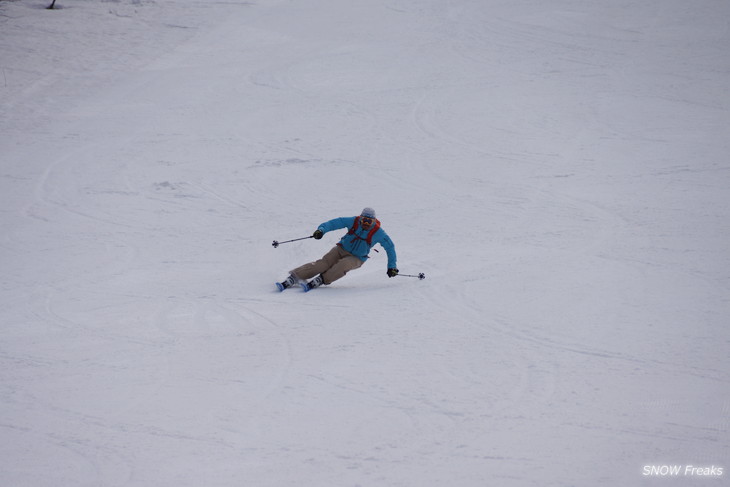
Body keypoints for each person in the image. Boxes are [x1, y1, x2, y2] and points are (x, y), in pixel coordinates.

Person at [277, 207, 399, 291]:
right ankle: (295, 276)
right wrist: (321, 230)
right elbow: (334, 223)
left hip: (357, 257)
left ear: (373, 221)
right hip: (341, 249)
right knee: (322, 264)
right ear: (360, 218)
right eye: (364, 220)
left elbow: (390, 247)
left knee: (343, 265)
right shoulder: (353, 221)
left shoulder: (378, 232)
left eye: (369, 221)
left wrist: (392, 267)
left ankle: (323, 279)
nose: (366, 223)